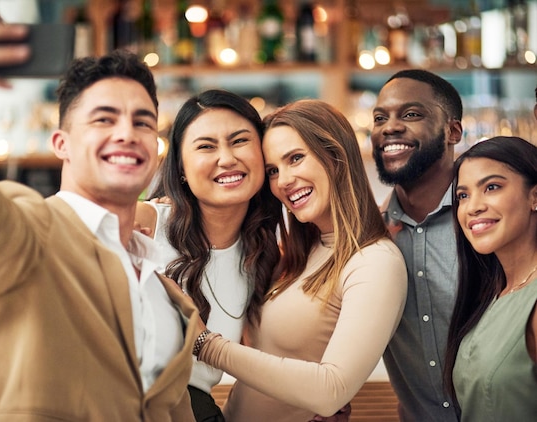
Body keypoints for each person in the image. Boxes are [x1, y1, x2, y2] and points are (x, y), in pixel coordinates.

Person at [0, 10, 199, 421]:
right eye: (104, 118)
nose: (126, 132)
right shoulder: (30, 233)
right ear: (61, 143)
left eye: (143, 121)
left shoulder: (160, 281)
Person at [191, 99, 408, 421]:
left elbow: (331, 390)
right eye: (273, 171)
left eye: (296, 158)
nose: (284, 181)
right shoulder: (299, 254)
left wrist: (205, 344)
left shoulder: (375, 261)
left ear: (336, 156)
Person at [135, 89, 282, 421]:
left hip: (197, 410)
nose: (227, 158)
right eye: (206, 146)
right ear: (182, 169)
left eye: (240, 141)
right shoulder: (144, 223)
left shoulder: (265, 255)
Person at [370, 69, 464, 421]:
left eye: (411, 114)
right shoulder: (370, 236)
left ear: (453, 131)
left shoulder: (492, 222)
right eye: (380, 117)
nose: (389, 127)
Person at [444, 136, 537, 420]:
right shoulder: (492, 295)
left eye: (491, 187)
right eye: (463, 195)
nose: (473, 207)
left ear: (534, 196)